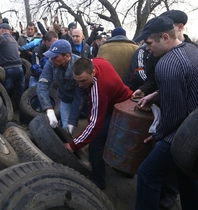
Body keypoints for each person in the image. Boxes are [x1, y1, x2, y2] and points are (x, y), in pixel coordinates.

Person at [132, 15, 198, 210]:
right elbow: (187, 83)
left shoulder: (167, 65)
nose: (146, 48)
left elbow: (173, 116)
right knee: (187, 177)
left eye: (150, 42)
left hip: (182, 135)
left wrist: (157, 135)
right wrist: (156, 94)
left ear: (165, 37)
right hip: (195, 129)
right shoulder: (191, 50)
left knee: (147, 174)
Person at [64, 57, 132, 190]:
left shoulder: (99, 89)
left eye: (83, 81)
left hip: (119, 107)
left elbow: (94, 125)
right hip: (119, 101)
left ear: (93, 72)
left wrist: (73, 145)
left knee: (95, 143)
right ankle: (125, 170)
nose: (80, 85)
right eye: (77, 81)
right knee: (115, 139)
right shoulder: (94, 61)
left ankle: (98, 181)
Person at [36, 39, 84, 133]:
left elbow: (80, 96)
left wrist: (72, 121)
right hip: (65, 98)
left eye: (55, 56)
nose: (51, 58)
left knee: (91, 125)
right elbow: (42, 84)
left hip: (82, 99)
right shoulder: (50, 63)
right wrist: (49, 109)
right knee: (66, 128)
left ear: (67, 56)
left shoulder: (79, 65)